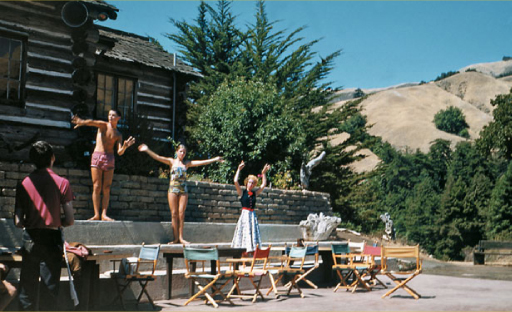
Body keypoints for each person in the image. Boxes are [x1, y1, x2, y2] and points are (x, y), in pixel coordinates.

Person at [14, 141, 75, 311]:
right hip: (51, 239)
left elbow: (18, 222)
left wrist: (33, 221)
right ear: (52, 158)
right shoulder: (62, 183)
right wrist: (55, 221)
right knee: (50, 288)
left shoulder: (23, 183)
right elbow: (70, 220)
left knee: (27, 288)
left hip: (30, 237)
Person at [138, 143, 224, 244]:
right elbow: (158, 157)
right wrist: (147, 149)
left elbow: (202, 162)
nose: (182, 153)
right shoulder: (171, 161)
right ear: (177, 152)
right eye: (181, 151)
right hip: (172, 189)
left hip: (183, 190)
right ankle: (175, 239)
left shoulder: (186, 163)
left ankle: (181, 238)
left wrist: (215, 159)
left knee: (181, 213)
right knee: (174, 214)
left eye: (184, 152)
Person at [71, 110, 135, 221]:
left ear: (118, 118)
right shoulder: (103, 125)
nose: (110, 117)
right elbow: (92, 122)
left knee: (106, 188)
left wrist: (125, 146)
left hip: (109, 159)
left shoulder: (118, 134)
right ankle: (96, 214)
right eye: (109, 114)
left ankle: (104, 214)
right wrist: (82, 122)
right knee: (96, 186)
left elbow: (119, 152)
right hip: (97, 156)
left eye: (113, 115)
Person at [231, 161, 271, 253]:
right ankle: (242, 255)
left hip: (252, 215)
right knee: (243, 234)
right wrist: (238, 169)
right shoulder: (242, 192)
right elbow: (235, 181)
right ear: (246, 183)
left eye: (253, 183)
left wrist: (263, 173)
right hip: (245, 215)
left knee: (253, 235)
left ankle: (252, 254)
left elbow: (263, 184)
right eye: (249, 182)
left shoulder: (254, 193)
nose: (251, 184)